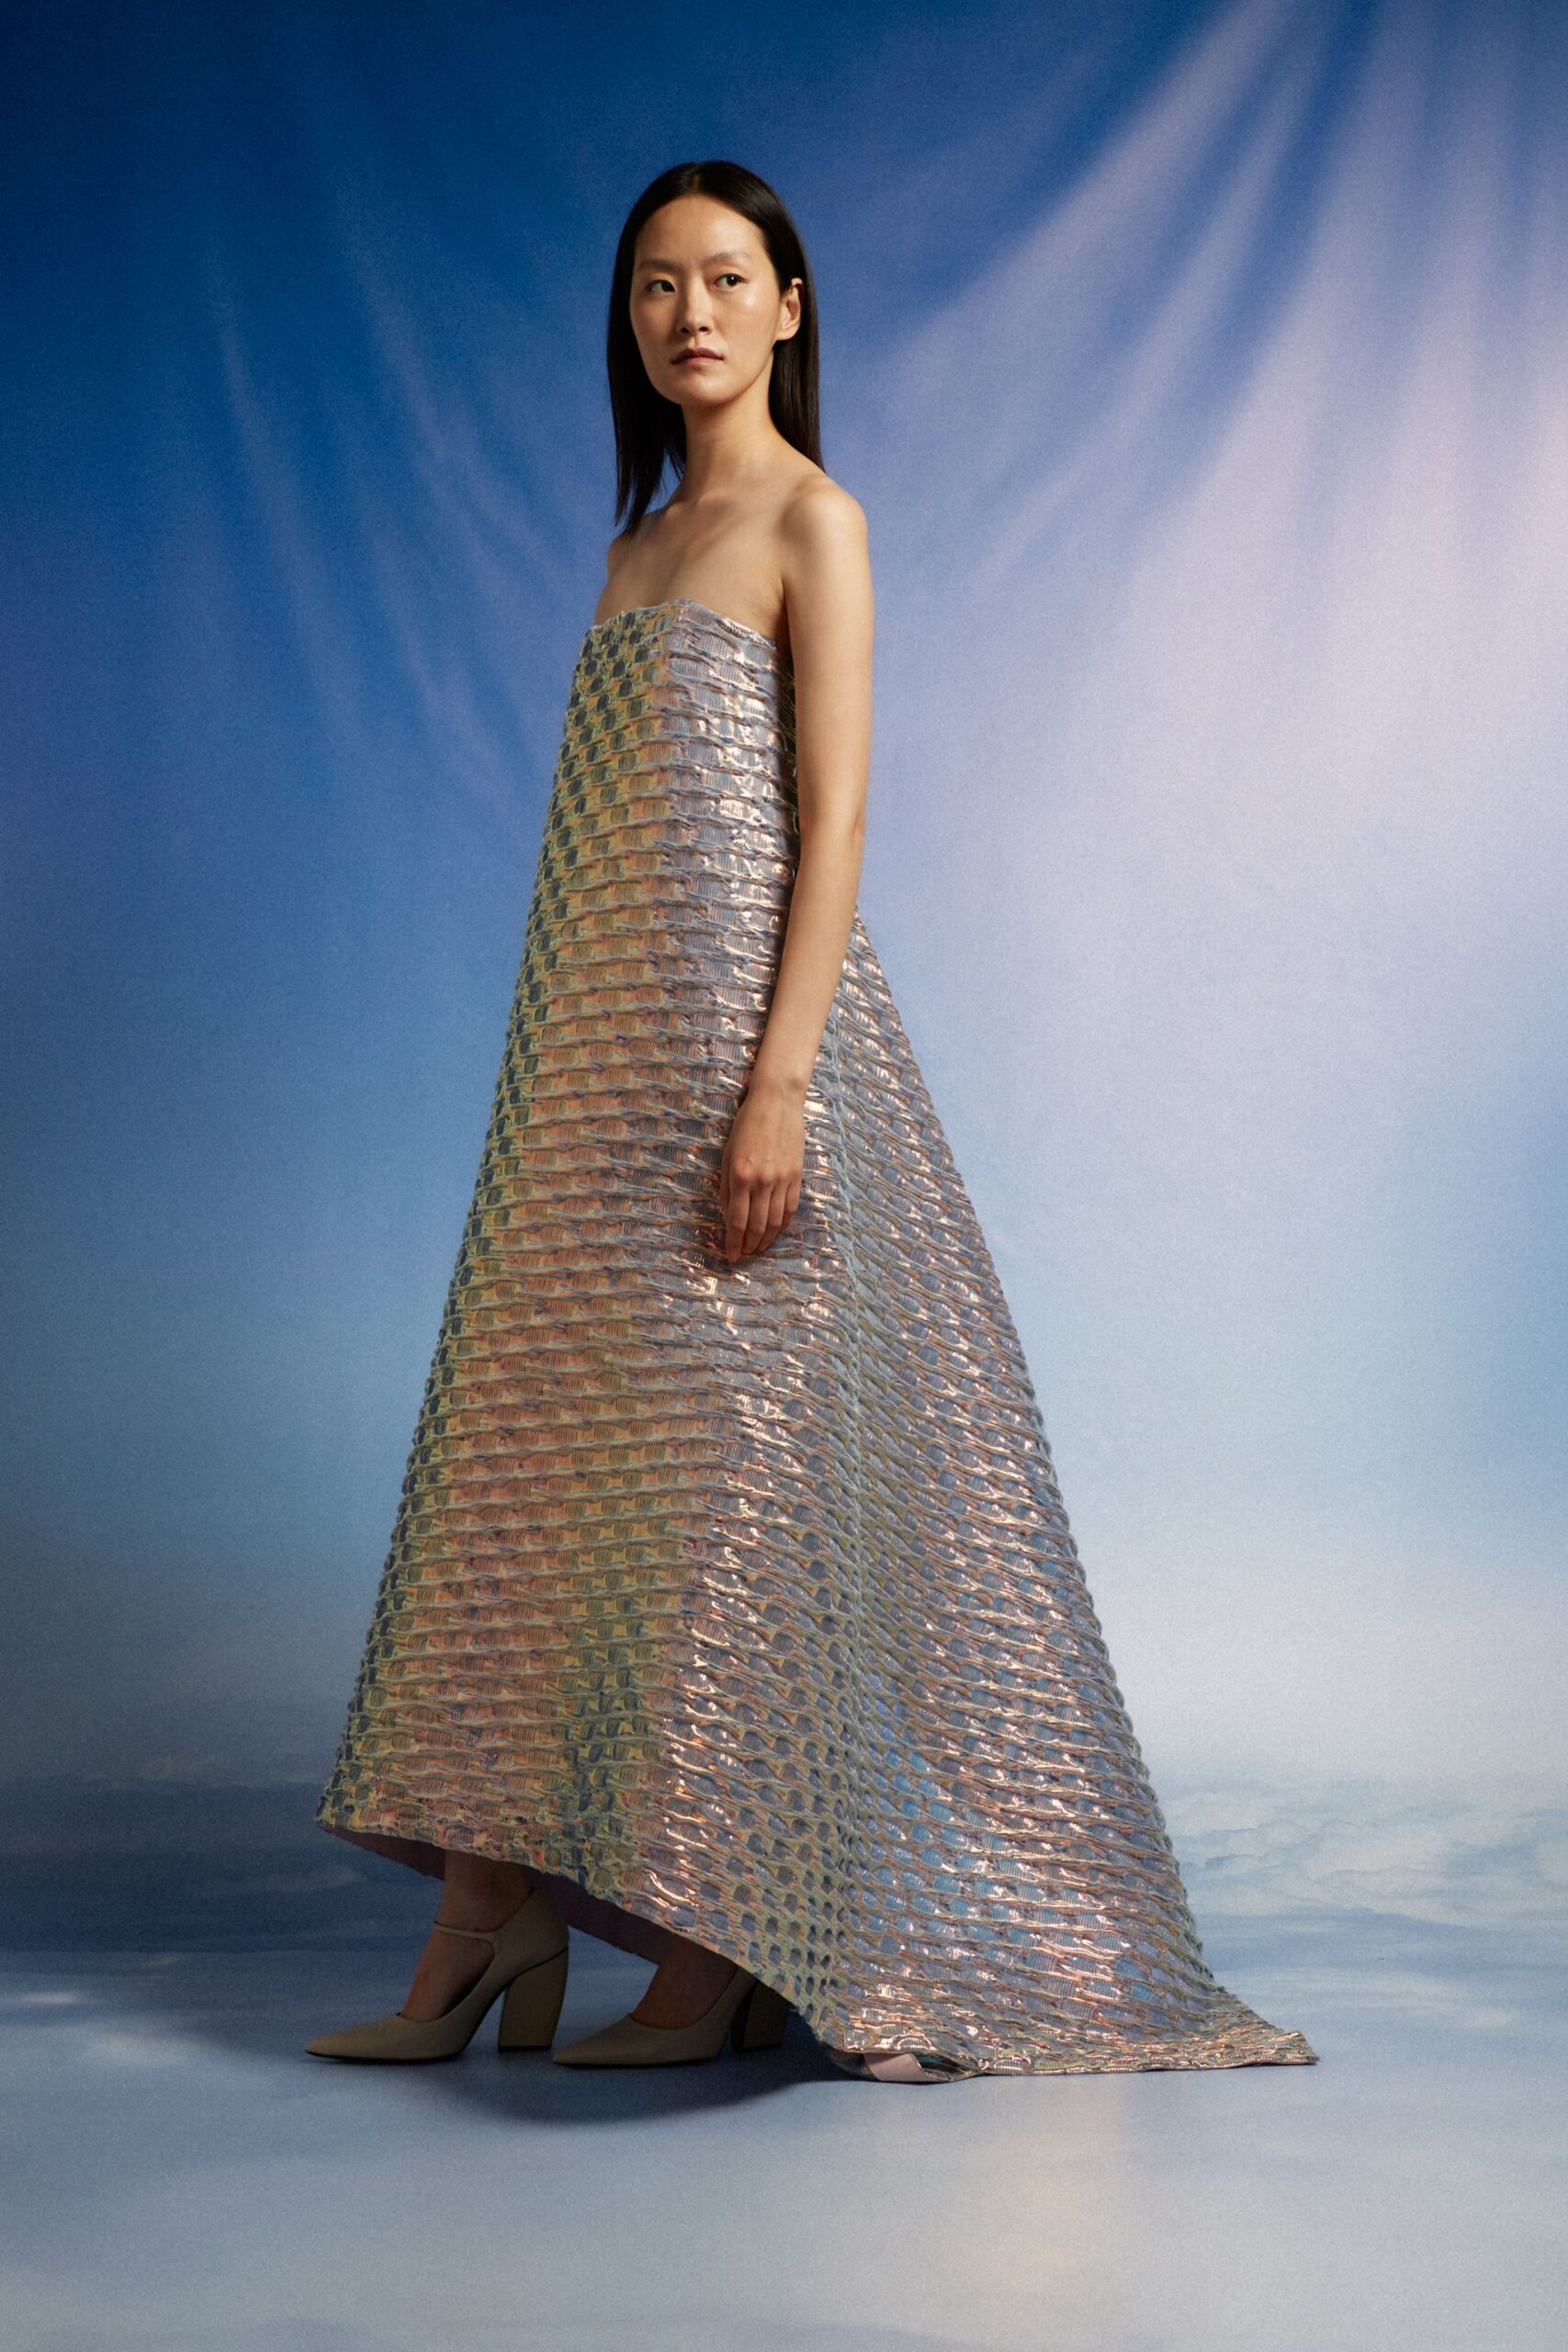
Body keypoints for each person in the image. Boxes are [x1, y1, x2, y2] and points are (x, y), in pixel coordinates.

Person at [308, 158, 1315, 2085]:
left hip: (750, 1066)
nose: (686, 313)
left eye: (723, 279)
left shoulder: (811, 522)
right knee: (551, 1480)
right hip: (592, 1080)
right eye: (652, 285)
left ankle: (721, 1944)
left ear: (788, 306)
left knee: (730, 1487)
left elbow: (834, 820)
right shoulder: (630, 554)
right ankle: (485, 1911)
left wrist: (772, 1085)